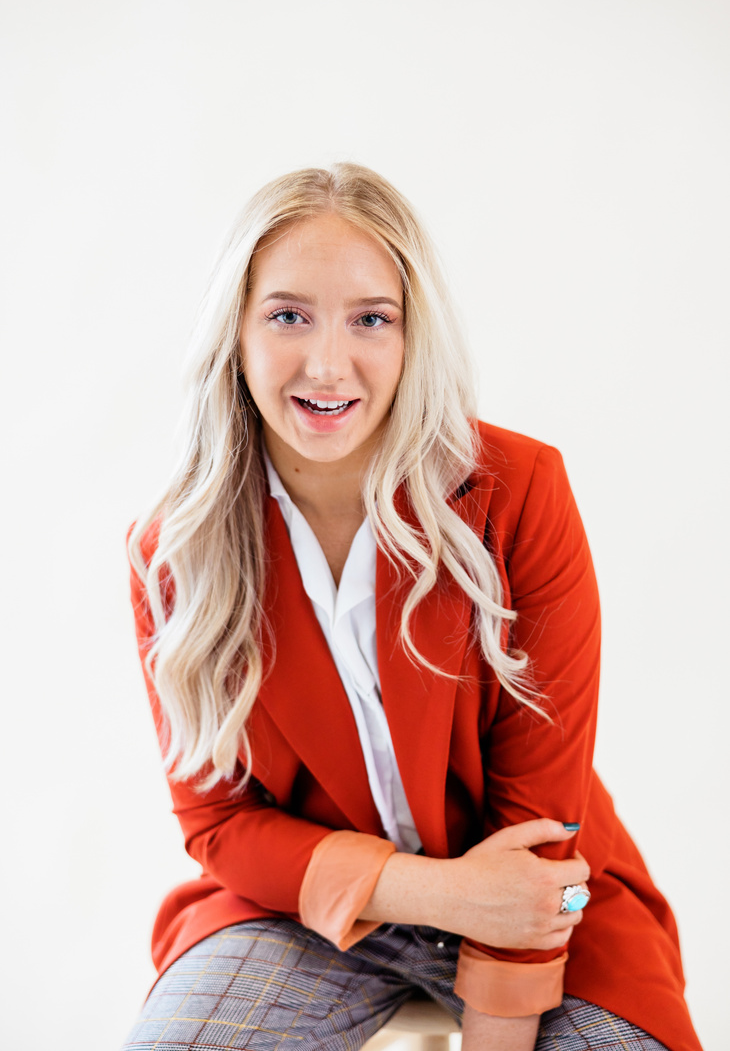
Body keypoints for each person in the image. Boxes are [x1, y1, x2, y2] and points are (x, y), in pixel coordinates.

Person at [123, 164, 701, 1051]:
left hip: (544, 898)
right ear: (234, 331)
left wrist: (497, 1004)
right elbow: (219, 822)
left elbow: (538, 816)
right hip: (303, 908)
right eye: (288, 315)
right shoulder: (177, 548)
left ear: (411, 336)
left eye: (370, 319)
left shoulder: (519, 492)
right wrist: (434, 892)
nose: (327, 362)